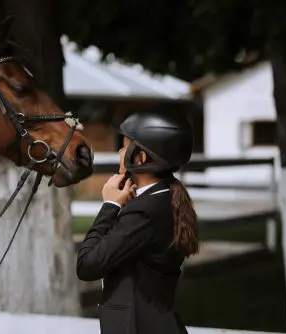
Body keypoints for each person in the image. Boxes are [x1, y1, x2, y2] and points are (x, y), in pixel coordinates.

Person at [76, 110, 199, 334]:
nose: (119, 152)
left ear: (140, 157)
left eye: (123, 147)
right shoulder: (162, 199)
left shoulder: (145, 212)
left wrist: (110, 206)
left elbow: (87, 264)